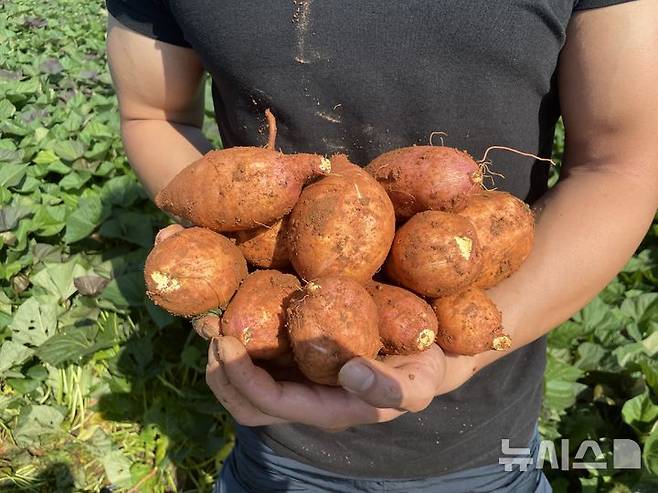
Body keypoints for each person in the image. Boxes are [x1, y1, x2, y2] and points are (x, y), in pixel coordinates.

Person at [105, 1, 658, 491]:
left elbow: (624, 163)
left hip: (483, 443)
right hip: (273, 417)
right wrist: (213, 231)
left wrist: (467, 351)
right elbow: (153, 113)